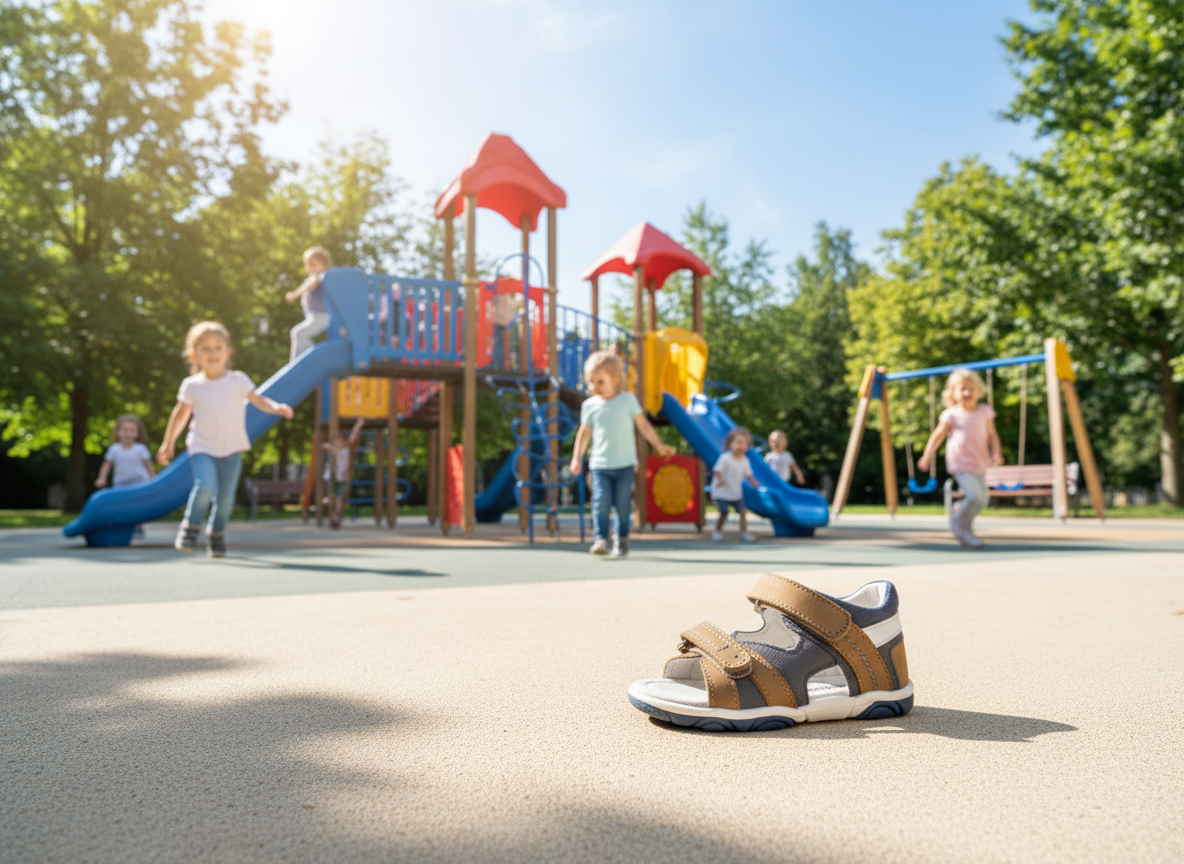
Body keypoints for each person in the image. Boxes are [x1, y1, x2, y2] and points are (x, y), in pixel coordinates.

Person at [157, 321, 294, 557]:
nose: (213, 353)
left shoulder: (238, 380)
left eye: (218, 347)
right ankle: (190, 528)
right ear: (194, 355)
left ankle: (216, 534)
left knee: (226, 499)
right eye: (206, 348)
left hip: (232, 448)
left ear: (228, 353)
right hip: (202, 447)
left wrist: (276, 407)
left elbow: (258, 399)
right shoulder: (192, 385)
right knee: (205, 486)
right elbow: (179, 415)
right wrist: (168, 442)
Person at [569, 350, 671, 558]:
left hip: (625, 465)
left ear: (616, 380)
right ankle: (601, 539)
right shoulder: (590, 406)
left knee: (623, 506)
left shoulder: (627, 401)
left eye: (600, 382)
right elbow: (584, 433)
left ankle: (622, 538)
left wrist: (658, 444)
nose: (594, 387)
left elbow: (643, 425)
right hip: (600, 465)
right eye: (591, 382)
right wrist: (576, 457)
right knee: (601, 502)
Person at [917, 367, 1004, 549]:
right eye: (962, 389)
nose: (967, 392)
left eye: (971, 389)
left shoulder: (985, 412)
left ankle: (964, 525)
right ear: (953, 393)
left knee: (983, 500)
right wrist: (927, 455)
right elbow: (937, 436)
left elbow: (992, 435)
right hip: (960, 461)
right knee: (974, 495)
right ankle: (959, 523)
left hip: (980, 461)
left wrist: (997, 452)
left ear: (978, 391)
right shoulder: (951, 414)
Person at [95, 414, 156, 540]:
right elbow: (107, 464)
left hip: (139, 482)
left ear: (137, 433)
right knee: (121, 506)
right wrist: (102, 478)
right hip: (121, 484)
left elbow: (148, 465)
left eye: (132, 430)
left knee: (137, 506)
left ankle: (138, 527)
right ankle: (123, 527)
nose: (128, 433)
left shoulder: (140, 449)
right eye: (125, 430)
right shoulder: (114, 449)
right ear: (118, 432)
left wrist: (153, 479)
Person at [712, 427, 760, 543]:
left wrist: (754, 482)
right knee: (724, 513)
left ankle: (744, 532)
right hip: (722, 491)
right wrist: (720, 480)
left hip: (735, 492)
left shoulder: (745, 460)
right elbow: (717, 470)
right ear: (730, 444)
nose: (741, 446)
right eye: (738, 442)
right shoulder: (725, 458)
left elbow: (748, 474)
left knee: (742, 511)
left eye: (744, 443)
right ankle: (717, 531)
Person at [286, 246, 332, 362]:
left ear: (324, 266)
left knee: (299, 333)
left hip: (322, 317)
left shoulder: (320, 277)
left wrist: (295, 294)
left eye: (313, 264)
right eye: (308, 264)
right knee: (300, 335)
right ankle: (308, 359)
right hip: (316, 317)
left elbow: (312, 282)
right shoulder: (312, 278)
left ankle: (302, 362)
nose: (310, 268)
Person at [322, 417, 365, 530]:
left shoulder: (347, 451)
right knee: (333, 498)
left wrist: (358, 425)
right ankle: (332, 517)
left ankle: (337, 517)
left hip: (342, 478)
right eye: (337, 442)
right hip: (331, 477)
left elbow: (353, 436)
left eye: (342, 442)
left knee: (340, 499)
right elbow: (328, 447)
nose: (340, 444)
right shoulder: (333, 450)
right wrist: (327, 446)